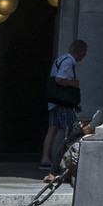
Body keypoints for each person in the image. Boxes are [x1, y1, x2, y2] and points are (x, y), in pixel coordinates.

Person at [41, 38, 87, 172]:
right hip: (62, 103)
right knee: (74, 129)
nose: (84, 56)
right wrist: (73, 83)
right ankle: (65, 159)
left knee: (52, 130)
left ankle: (45, 159)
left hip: (55, 102)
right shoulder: (68, 61)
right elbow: (59, 79)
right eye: (84, 52)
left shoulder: (60, 60)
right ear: (80, 51)